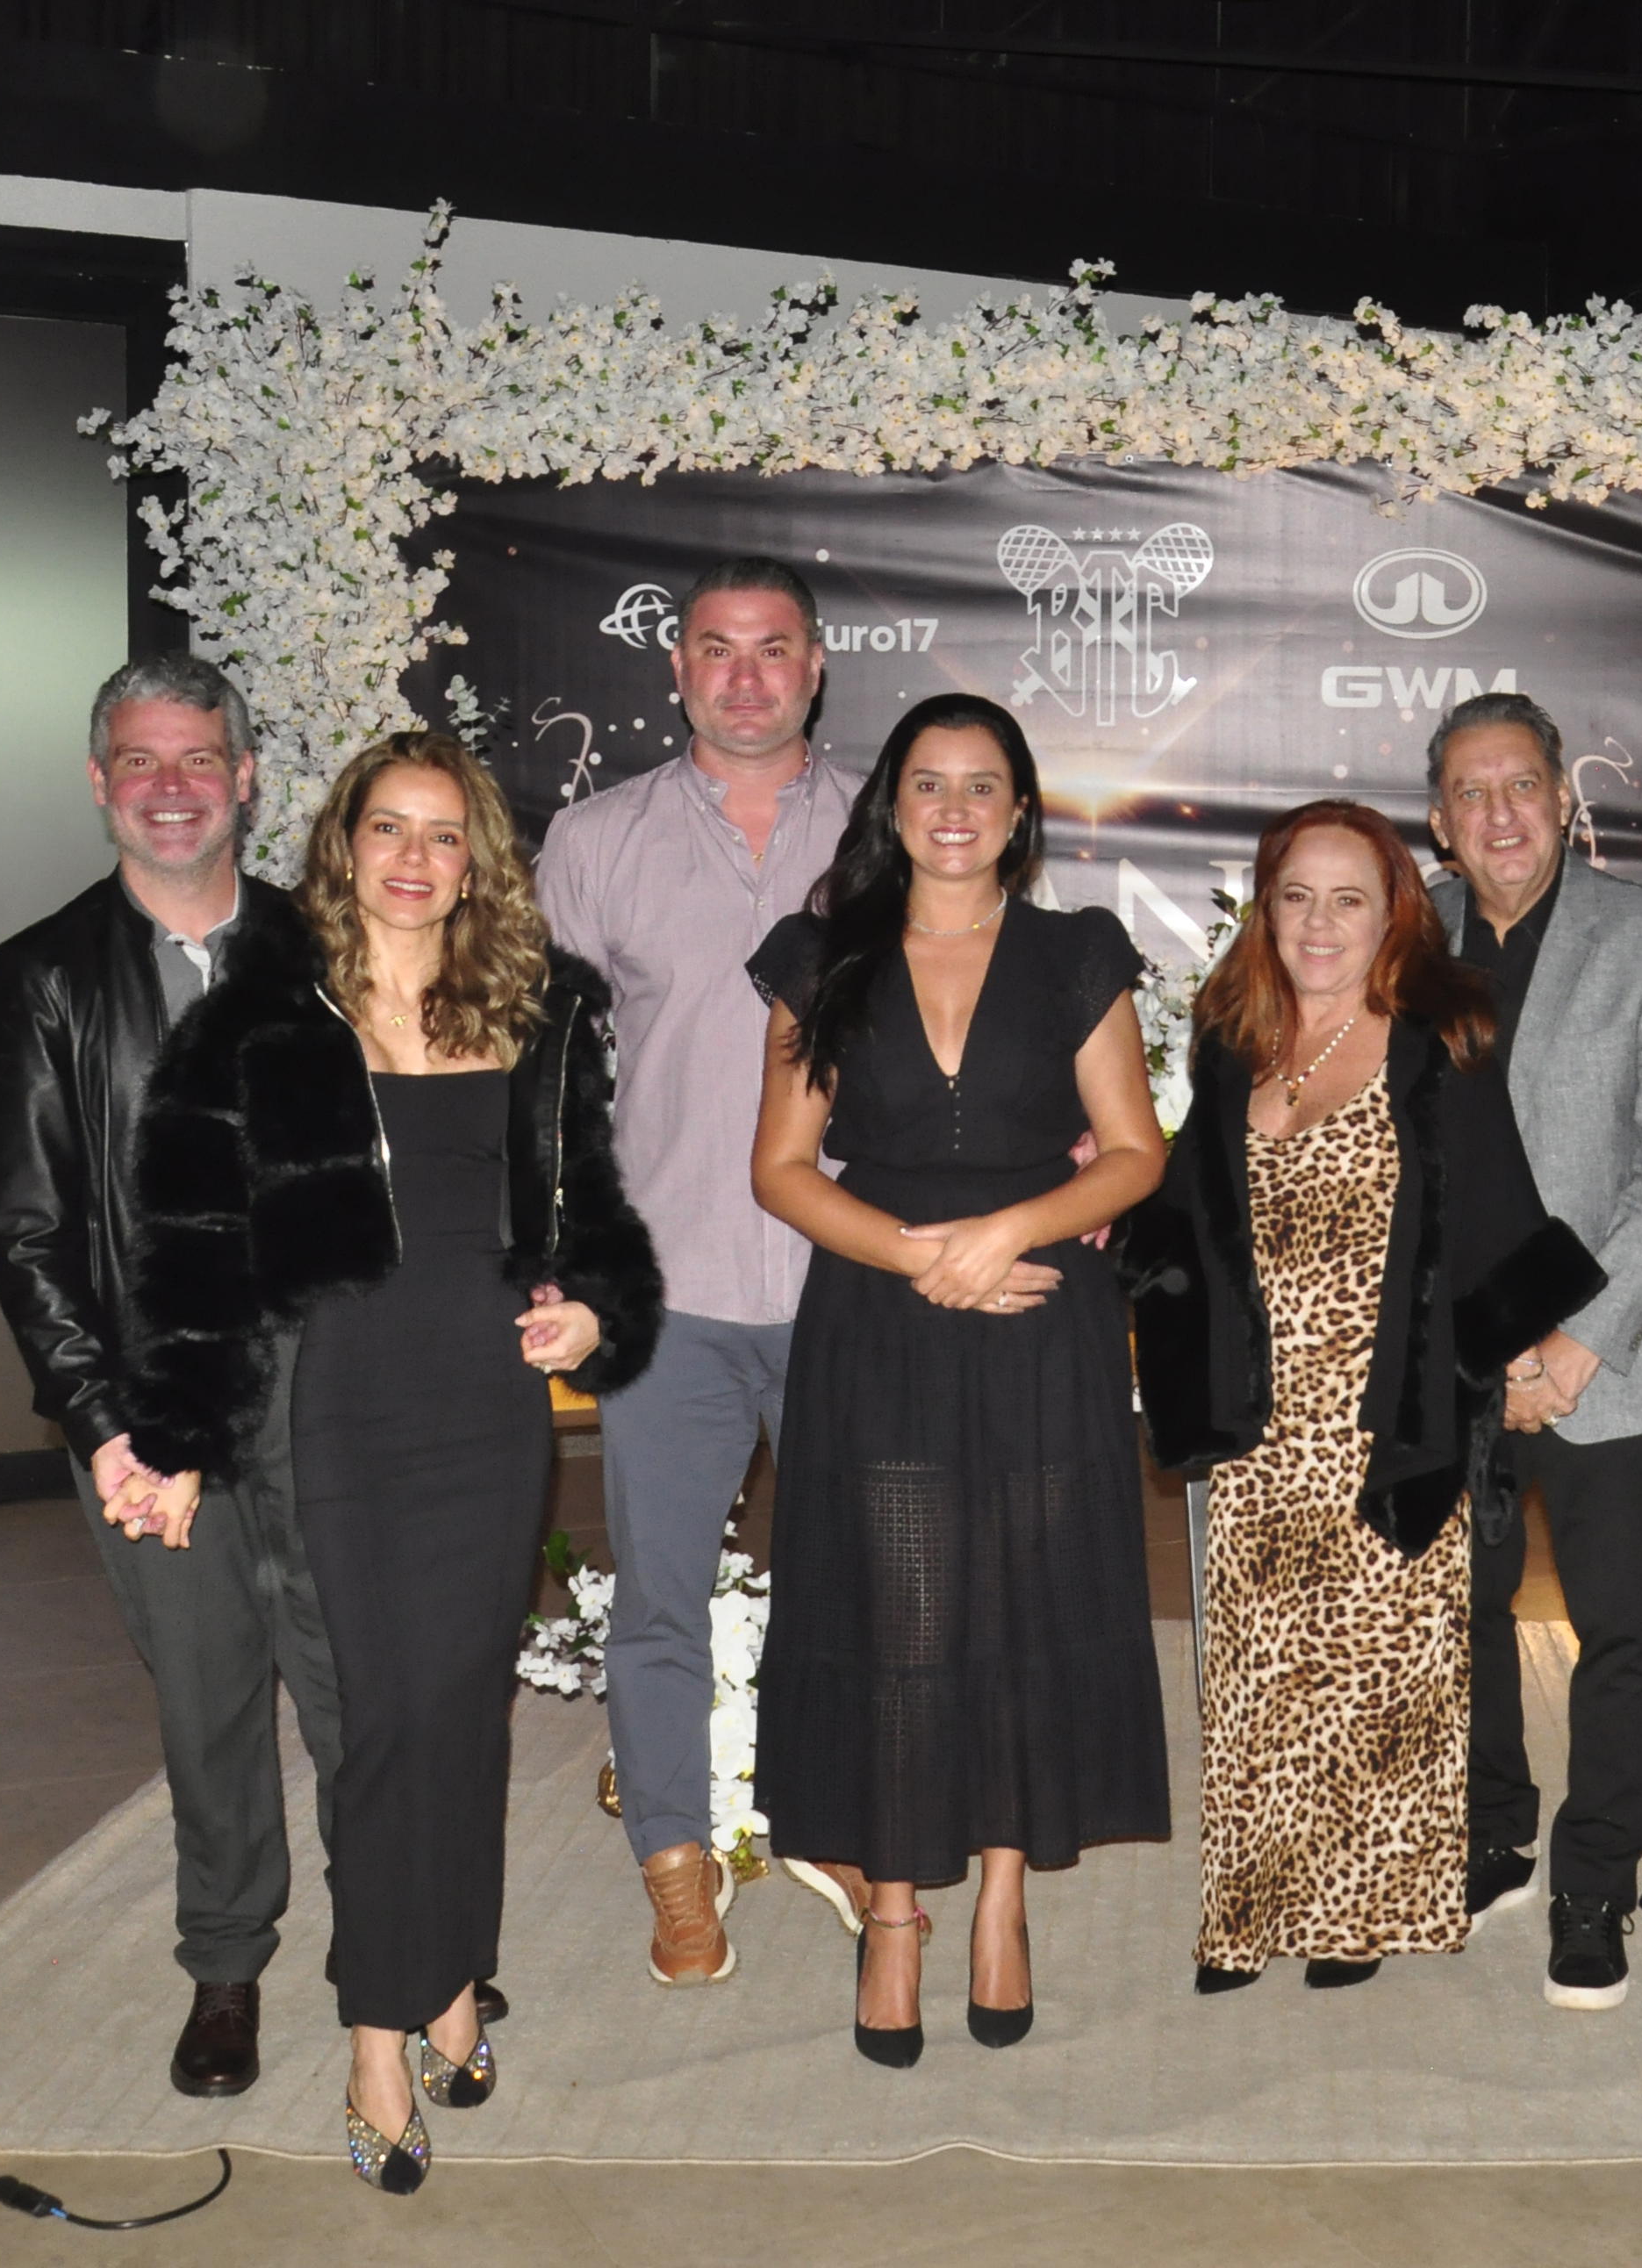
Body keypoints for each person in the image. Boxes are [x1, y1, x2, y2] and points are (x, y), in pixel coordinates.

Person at [113, 731, 663, 2193]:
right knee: (380, 1722)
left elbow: (592, 1215)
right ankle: (378, 2029)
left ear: (476, 863)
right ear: (342, 848)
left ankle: (452, 1981)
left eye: (443, 834)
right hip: (339, 1407)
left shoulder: (540, 1011)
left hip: (487, 1406)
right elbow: (192, 1248)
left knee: (462, 1713)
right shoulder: (257, 1022)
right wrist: (178, 1440)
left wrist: (594, 1309)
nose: (414, 859)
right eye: (388, 830)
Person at [745, 692, 1170, 2069]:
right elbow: (781, 1169)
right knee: (901, 1612)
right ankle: (892, 1912)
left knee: (1022, 1603)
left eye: (983, 785)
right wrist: (926, 1258)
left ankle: (999, 1898)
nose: (954, 809)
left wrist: (1007, 1234)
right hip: (879, 1324)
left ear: (1021, 810)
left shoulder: (1074, 951)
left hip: (1041, 1322)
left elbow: (1134, 1152)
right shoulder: (820, 957)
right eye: (928, 782)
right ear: (892, 804)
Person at [1123, 802, 1603, 1993]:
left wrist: (1515, 1364)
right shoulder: (1232, 1038)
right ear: (1266, 909)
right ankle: (1249, 1913)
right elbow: (1189, 1210)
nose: (1320, 924)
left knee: (1376, 1680)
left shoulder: (1438, 1042)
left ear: (1394, 912)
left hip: (1389, 1414)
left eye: (1350, 899)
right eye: (1297, 897)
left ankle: (1355, 1913)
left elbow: (1500, 1213)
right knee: (1259, 1672)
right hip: (1258, 1423)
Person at [0, 657, 345, 2100]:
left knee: (355, 1675)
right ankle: (227, 1963)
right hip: (151, 1406)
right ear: (100, 782)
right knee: (206, 1694)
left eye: (199, 759)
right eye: (141, 761)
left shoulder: (330, 948)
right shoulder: (46, 976)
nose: (171, 787)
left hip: (328, 1388)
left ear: (246, 776)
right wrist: (100, 1423)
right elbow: (27, 1229)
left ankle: (398, 1926)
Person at [537, 556, 864, 1984]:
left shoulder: (888, 828)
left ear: (815, 667)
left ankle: (835, 1821)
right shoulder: (594, 838)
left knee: (858, 1589)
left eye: (772, 647)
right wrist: (558, 1263)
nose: (744, 675)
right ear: (676, 669)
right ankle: (676, 1863)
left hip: (852, 1283)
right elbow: (544, 1074)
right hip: (662, 1291)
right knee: (659, 1596)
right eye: (716, 649)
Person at [1426, 692, 1642, 2012]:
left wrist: (1575, 1344)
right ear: (1440, 821)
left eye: (1521, 785)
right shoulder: (1404, 944)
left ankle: (1595, 1880)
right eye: (1471, 792)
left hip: (1616, 1358)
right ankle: (1493, 1831)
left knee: (1622, 1633)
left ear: (1562, 796)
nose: (1500, 813)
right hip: (1451, 1363)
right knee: (1460, 1615)